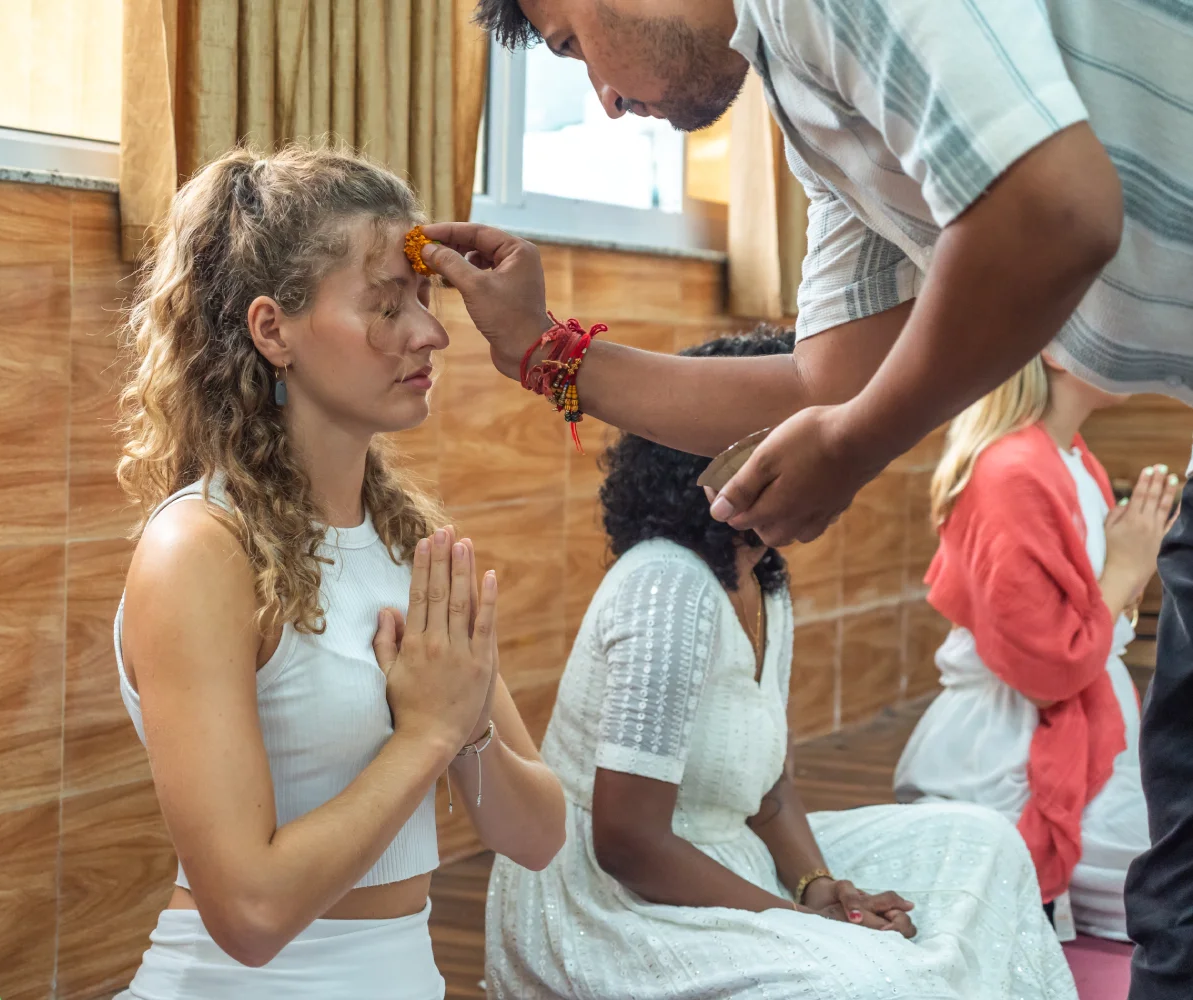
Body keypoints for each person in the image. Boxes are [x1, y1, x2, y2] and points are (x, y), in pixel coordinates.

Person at [420, 3, 1191, 992]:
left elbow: (1053, 211)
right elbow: (825, 383)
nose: (602, 101)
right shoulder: (811, 118)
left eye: (572, 46)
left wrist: (857, 442)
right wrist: (541, 352)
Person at [485, 329, 1077, 1000]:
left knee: (980, 837)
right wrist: (805, 925)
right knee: (874, 981)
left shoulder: (760, 578)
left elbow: (768, 791)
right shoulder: (665, 586)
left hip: (726, 855)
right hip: (611, 906)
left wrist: (820, 888)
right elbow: (627, 846)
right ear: (730, 456)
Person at [108, 145, 565, 999]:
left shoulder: (410, 541)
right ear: (272, 330)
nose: (429, 333)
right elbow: (249, 914)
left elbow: (538, 836)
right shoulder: (200, 549)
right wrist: (426, 735)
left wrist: (466, 731)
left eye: (423, 300)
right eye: (386, 305)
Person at [892, 354, 1178, 942]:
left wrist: (1132, 569)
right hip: (1013, 756)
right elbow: (1046, 674)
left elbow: (1097, 610)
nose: (1138, 346)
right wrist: (1127, 568)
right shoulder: (1011, 472)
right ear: (1056, 352)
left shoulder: (1074, 458)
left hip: (1093, 730)